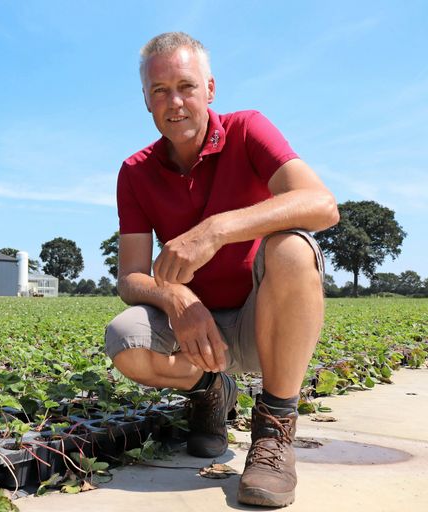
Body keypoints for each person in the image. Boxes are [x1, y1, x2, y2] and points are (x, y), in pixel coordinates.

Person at [104, 32, 339, 507]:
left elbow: (322, 205)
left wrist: (216, 229)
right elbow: (130, 277)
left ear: (210, 89)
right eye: (159, 90)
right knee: (125, 342)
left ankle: (274, 431)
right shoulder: (135, 171)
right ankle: (214, 392)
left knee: (294, 248)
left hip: (262, 321)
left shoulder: (248, 129)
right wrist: (177, 298)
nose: (175, 102)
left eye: (186, 86)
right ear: (145, 101)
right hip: (198, 333)